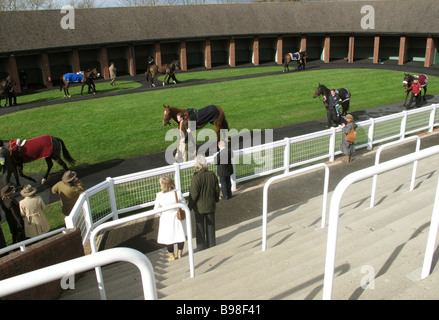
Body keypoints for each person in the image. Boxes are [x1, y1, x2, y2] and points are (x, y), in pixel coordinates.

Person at [188, 155, 220, 251]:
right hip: (210, 205)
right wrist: (216, 199)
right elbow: (217, 190)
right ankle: (212, 244)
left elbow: (193, 195)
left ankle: (201, 247)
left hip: (199, 208)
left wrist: (189, 207)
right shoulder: (212, 175)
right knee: (211, 226)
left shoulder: (196, 178)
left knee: (200, 227)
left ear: (197, 165)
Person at [153, 175, 187, 262]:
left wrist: (162, 214)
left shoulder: (159, 196)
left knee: (169, 239)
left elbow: (156, 210)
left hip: (166, 219)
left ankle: (171, 256)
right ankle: (180, 253)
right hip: (177, 217)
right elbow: (183, 204)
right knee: (180, 235)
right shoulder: (177, 193)